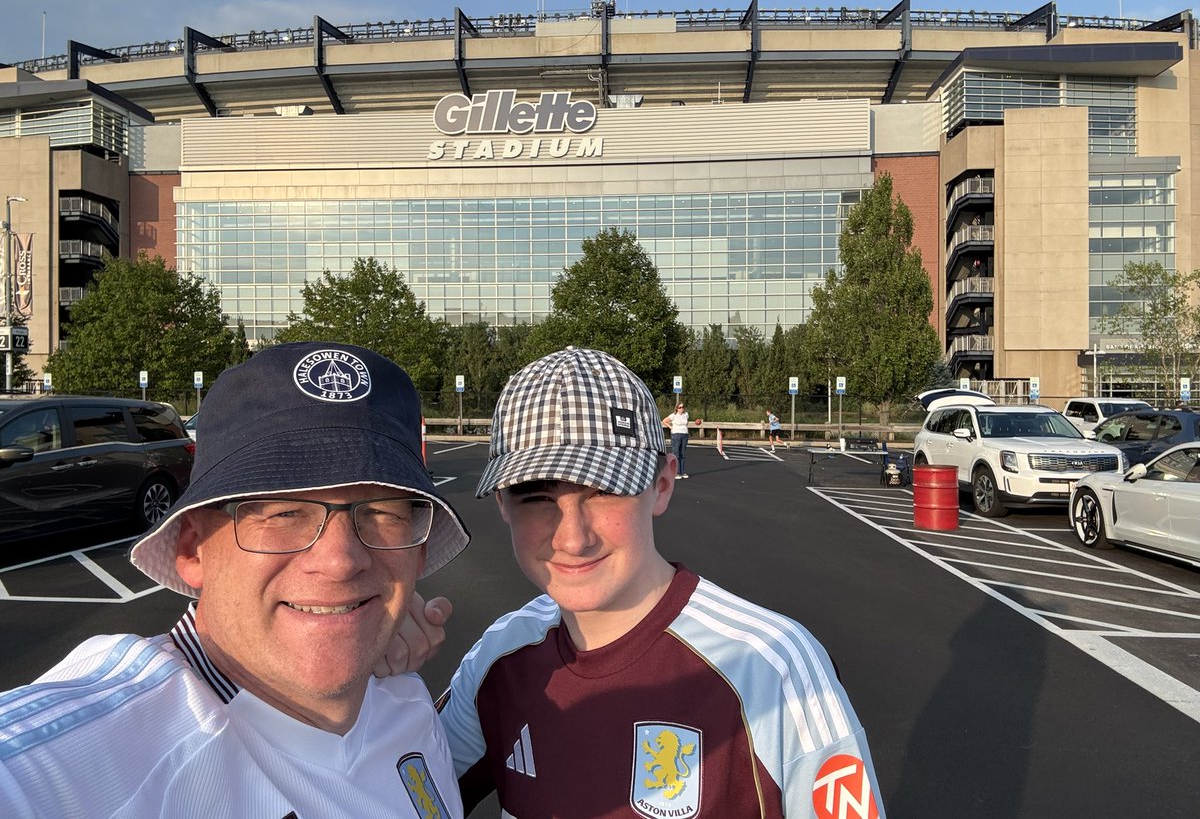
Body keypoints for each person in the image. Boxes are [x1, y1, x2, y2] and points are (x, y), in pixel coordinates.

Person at [0, 342, 471, 818]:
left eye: (382, 512)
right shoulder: (94, 757)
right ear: (191, 548)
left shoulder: (409, 710)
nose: (340, 561)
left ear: (417, 548)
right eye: (283, 512)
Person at [438, 347, 885, 818]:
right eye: (536, 497)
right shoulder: (497, 658)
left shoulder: (772, 669)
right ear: (502, 506)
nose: (572, 537)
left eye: (604, 491)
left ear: (663, 484)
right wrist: (373, 687)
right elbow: (392, 792)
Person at [662, 401, 700, 479]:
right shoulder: (673, 416)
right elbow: (664, 421)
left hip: (685, 434)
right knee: (676, 454)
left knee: (682, 454)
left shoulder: (686, 415)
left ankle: (682, 472)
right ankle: (675, 473)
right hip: (676, 435)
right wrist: (671, 427)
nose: (681, 409)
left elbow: (687, 423)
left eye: (682, 407)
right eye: (680, 407)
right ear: (677, 408)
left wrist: (696, 422)